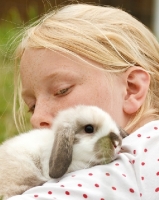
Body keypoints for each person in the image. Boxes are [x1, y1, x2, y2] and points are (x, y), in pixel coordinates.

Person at [8, 3, 159, 200]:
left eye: (62, 90)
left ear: (131, 89)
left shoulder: (131, 160)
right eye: (32, 106)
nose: (36, 118)